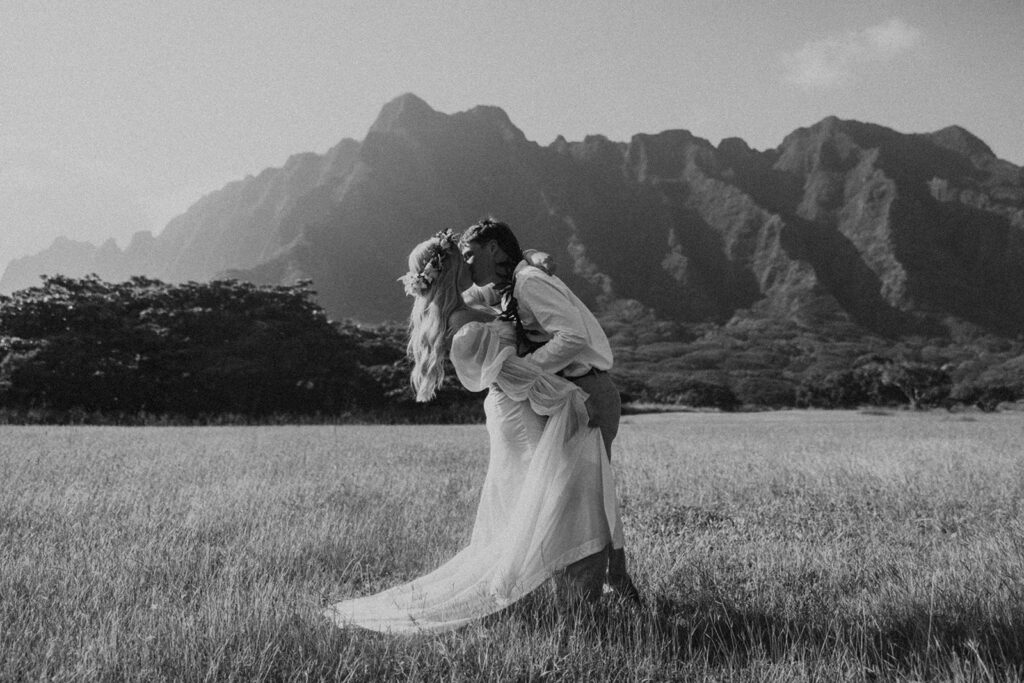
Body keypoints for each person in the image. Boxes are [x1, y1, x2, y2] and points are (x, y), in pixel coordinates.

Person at [323, 229, 623, 633]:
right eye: (462, 257)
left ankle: (572, 591)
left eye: (471, 254)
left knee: (547, 496)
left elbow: (502, 288)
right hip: (518, 408)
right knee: (554, 496)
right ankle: (558, 596)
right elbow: (514, 375)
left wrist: (531, 258)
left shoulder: (470, 304)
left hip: (522, 404)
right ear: (450, 268)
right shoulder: (466, 328)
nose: (471, 262)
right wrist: (571, 398)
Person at [459, 218, 641, 605]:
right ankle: (609, 587)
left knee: (584, 497)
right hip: (569, 391)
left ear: (494, 249)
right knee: (575, 494)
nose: (468, 263)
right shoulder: (510, 284)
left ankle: (596, 593)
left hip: (588, 391)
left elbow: (572, 336)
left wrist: (527, 371)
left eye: (471, 254)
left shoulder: (529, 283)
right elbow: (467, 298)